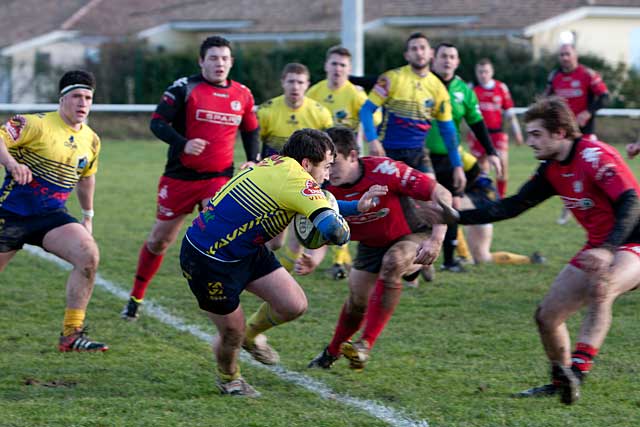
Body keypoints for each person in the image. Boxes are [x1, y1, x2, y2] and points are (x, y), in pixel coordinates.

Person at [438, 96, 640, 405]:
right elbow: (512, 206)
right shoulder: (552, 169)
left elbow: (631, 202)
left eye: (536, 134)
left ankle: (579, 370)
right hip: (600, 246)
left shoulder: (595, 156)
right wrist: (454, 216)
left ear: (559, 132)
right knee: (547, 317)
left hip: (631, 241)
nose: (529, 141)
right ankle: (562, 381)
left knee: (603, 287)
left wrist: (609, 249)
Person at [179, 129, 356, 397]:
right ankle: (230, 379)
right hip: (208, 257)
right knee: (230, 333)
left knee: (293, 304)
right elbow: (334, 230)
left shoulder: (278, 162)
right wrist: (343, 229)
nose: (328, 175)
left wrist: (358, 207)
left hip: (246, 248)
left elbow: (315, 201)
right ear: (307, 164)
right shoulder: (297, 181)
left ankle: (251, 336)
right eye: (327, 167)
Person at [122, 36, 260, 320]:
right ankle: (136, 296)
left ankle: (226, 296)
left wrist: (253, 159)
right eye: (213, 58)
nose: (219, 63)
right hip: (180, 178)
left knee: (223, 236)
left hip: (219, 179)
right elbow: (157, 123)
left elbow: (251, 130)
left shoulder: (243, 94)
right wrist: (182, 143)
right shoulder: (185, 88)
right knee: (159, 241)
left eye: (224, 58)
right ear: (201, 61)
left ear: (231, 62)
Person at [301, 127, 452, 372]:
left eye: (334, 164)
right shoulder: (322, 188)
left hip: (412, 234)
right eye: (325, 165)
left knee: (393, 262)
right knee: (356, 302)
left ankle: (365, 345)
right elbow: (323, 232)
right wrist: (314, 259)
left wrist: (436, 239)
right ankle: (331, 352)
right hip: (372, 245)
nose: (328, 173)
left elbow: (440, 192)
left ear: (352, 155)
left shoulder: (385, 170)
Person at [0, 70, 108, 352]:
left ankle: (71, 334)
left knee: (88, 255)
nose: (82, 103)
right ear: (62, 99)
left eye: (88, 98)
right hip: (10, 213)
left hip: (51, 216)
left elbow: (86, 178)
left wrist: (88, 216)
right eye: (76, 96)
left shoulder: (92, 139)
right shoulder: (33, 123)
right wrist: (12, 165)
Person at [426, 42, 502, 272]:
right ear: (434, 59)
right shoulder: (421, 84)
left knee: (459, 201)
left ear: (457, 62)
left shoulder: (464, 91)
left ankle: (452, 259)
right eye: (443, 56)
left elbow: (477, 123)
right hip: (422, 157)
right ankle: (421, 259)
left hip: (451, 158)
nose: (447, 60)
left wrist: (491, 152)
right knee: (428, 205)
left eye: (452, 56)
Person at [306, 46, 381, 280]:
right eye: (334, 64)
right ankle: (320, 250)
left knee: (339, 203)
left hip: (343, 162)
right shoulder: (315, 92)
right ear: (326, 65)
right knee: (319, 201)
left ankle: (339, 260)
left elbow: (374, 118)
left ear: (348, 70)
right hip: (319, 159)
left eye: (343, 65)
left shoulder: (357, 95)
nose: (338, 69)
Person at [359, 32, 461, 189]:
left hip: (418, 153)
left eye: (422, 48)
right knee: (385, 201)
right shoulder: (390, 78)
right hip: (387, 151)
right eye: (414, 49)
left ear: (431, 53)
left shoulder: (439, 89)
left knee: (433, 196)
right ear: (407, 55)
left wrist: (458, 166)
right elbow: (366, 110)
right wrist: (373, 140)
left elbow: (448, 130)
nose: (419, 52)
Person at [256, 62, 334, 267]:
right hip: (276, 183)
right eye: (291, 81)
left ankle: (293, 270)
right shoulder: (266, 111)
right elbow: (256, 144)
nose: (295, 86)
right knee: (275, 242)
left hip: (309, 182)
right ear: (283, 82)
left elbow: (328, 149)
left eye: (300, 82)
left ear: (307, 84)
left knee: (305, 232)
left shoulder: (320, 113)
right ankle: (258, 262)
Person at [545, 43, 609, 224]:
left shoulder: (587, 74)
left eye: (567, 54)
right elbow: (547, 99)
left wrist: (588, 112)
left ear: (575, 55)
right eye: (561, 55)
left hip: (585, 133)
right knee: (563, 172)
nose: (564, 57)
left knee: (588, 173)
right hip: (562, 134)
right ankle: (570, 206)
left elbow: (604, 96)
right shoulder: (554, 76)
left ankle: (601, 205)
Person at [471, 58, 523, 198]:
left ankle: (501, 198)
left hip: (497, 134)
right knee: (480, 169)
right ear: (476, 73)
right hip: (479, 135)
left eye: (486, 71)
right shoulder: (473, 90)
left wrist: (517, 132)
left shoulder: (500, 88)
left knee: (502, 167)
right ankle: (483, 197)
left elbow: (510, 113)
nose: (483, 75)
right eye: (480, 72)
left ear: (492, 72)